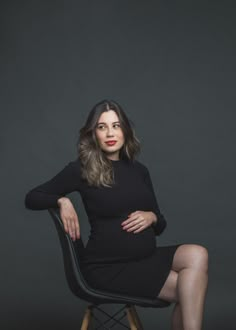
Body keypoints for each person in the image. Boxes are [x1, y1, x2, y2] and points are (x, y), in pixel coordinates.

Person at [24, 99, 208, 330]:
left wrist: (151, 216)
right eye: (102, 127)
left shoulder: (140, 171)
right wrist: (61, 200)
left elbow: (160, 225)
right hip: (108, 268)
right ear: (94, 134)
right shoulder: (82, 169)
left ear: (125, 131)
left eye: (116, 125)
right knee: (189, 289)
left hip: (144, 260)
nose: (110, 133)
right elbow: (32, 197)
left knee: (197, 254)